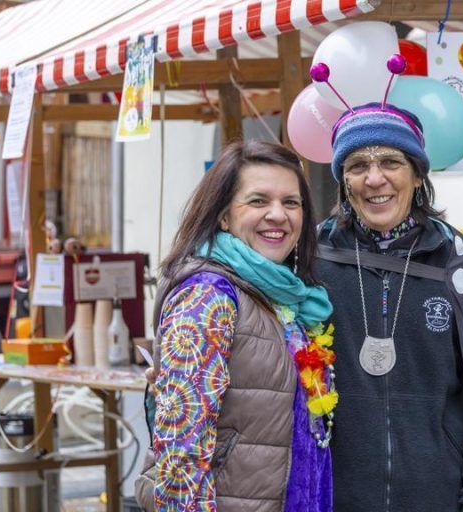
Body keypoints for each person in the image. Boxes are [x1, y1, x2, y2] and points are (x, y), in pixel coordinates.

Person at [315, 103, 463, 511]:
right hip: (333, 498)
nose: (375, 179)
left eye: (391, 161)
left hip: (441, 499)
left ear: (418, 173)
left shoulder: (456, 262)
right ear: (343, 181)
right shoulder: (313, 262)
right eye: (356, 165)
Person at [134, 140, 336, 511]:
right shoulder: (207, 295)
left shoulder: (285, 297)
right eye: (258, 201)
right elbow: (181, 453)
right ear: (223, 216)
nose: (278, 215)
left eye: (291, 203)